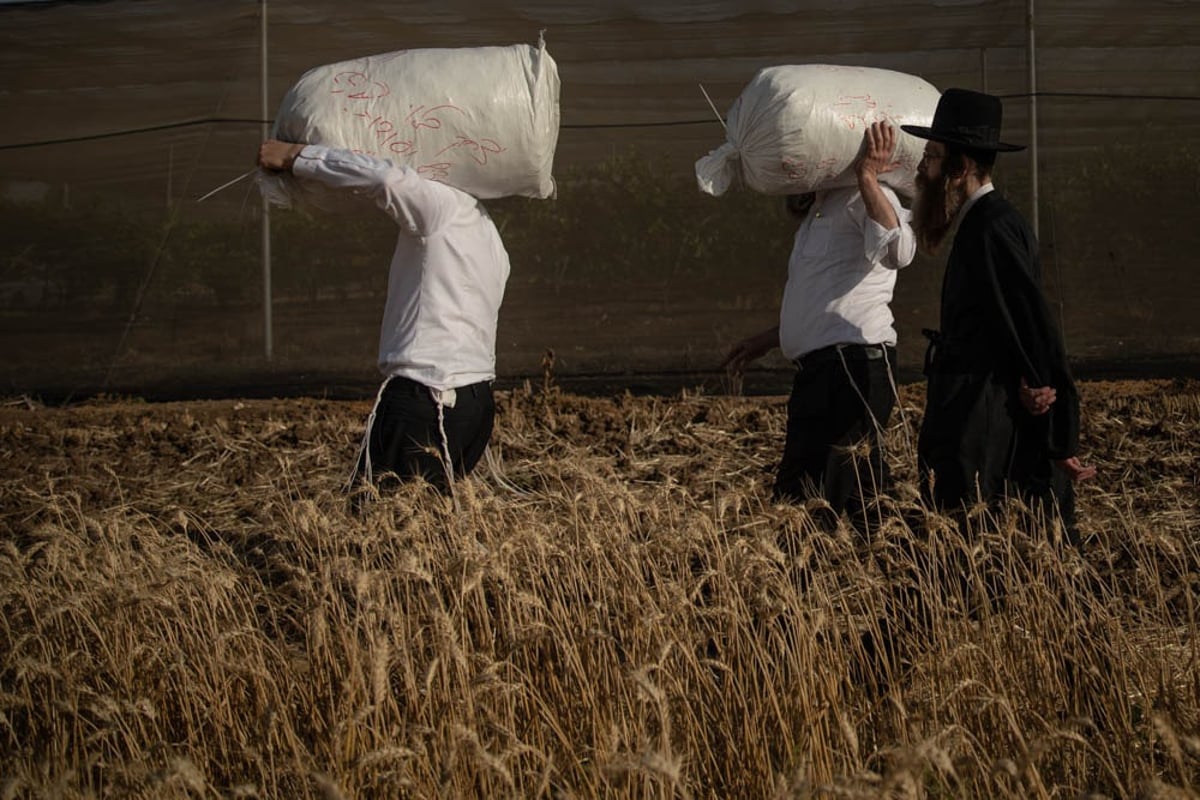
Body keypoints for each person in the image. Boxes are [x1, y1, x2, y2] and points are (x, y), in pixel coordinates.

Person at [257, 140, 509, 494]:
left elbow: (387, 180)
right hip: (475, 404)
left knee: (378, 523)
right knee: (427, 530)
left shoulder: (442, 206)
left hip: (429, 396)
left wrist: (296, 156)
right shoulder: (488, 233)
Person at [900, 88, 1095, 540]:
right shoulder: (981, 222)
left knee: (973, 529)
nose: (920, 169)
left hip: (980, 414)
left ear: (959, 169)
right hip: (971, 402)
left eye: (931, 157)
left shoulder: (992, 227)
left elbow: (1032, 322)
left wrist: (1057, 422)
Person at [723, 121, 916, 528]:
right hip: (821, 370)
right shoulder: (818, 212)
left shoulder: (871, 198)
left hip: (855, 364)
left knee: (851, 489)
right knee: (810, 487)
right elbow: (822, 296)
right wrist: (769, 339)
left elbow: (899, 251)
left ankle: (900, 576)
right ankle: (812, 581)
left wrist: (867, 174)